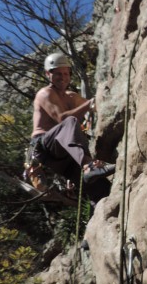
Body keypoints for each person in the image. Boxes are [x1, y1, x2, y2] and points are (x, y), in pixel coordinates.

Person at [27, 52, 115, 203]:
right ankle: (88, 165)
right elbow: (61, 118)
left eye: (66, 73)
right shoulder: (45, 93)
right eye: (58, 74)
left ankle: (100, 215)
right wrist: (89, 104)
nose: (63, 77)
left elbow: (95, 105)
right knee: (70, 122)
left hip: (65, 157)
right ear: (48, 74)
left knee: (101, 189)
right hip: (44, 147)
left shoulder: (71, 97)